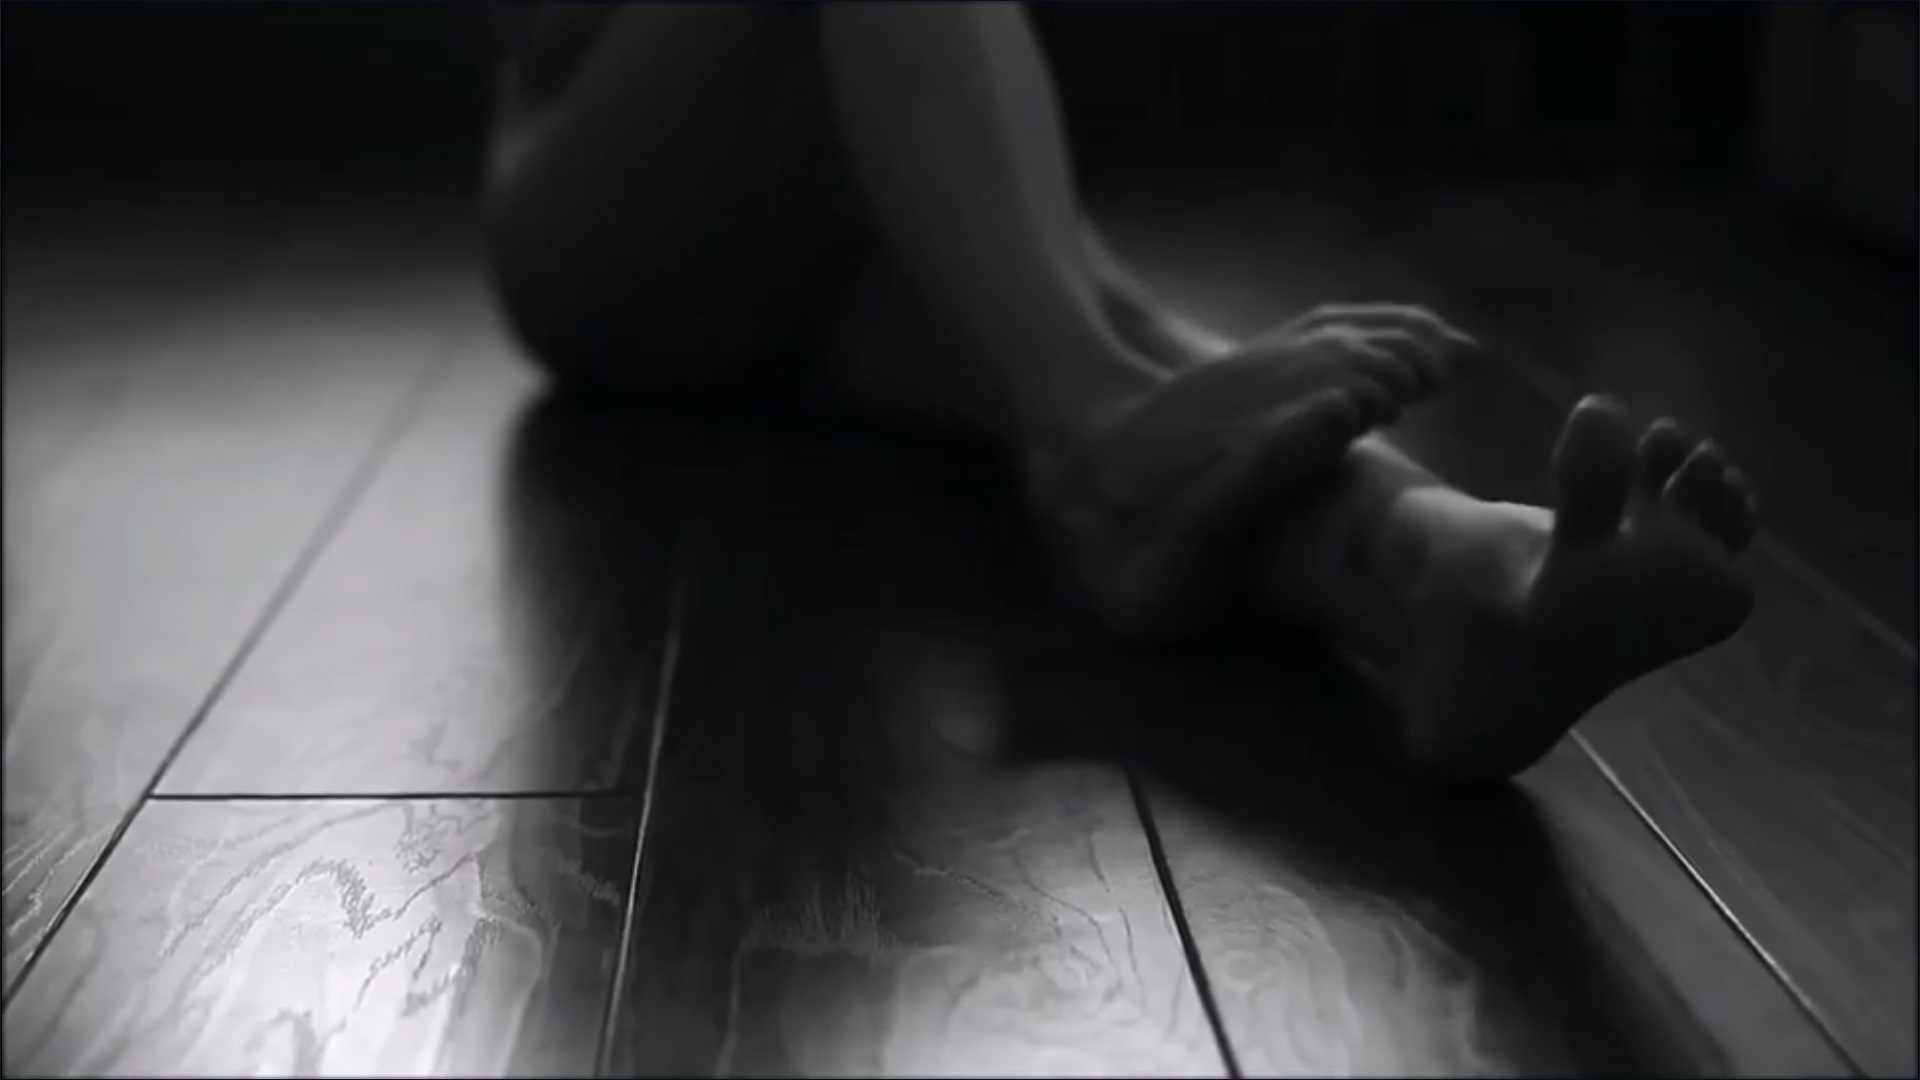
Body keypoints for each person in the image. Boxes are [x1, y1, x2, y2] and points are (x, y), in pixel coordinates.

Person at [480, 3, 1758, 783]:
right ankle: (1092, 432)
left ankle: (1445, 581)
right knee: (1094, 365)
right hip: (605, 227)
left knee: (1127, 335)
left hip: (839, 228)